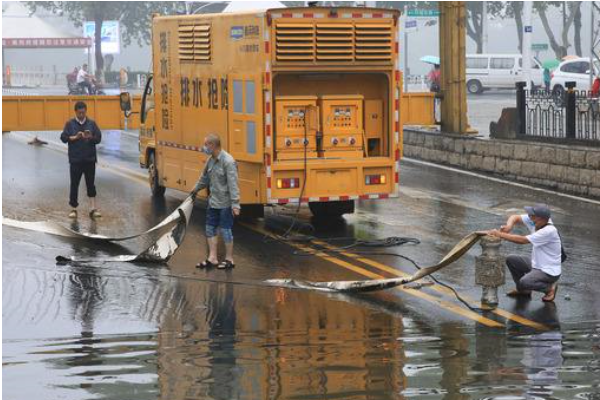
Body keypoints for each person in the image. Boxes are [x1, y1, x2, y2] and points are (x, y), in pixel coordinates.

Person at [485, 204, 562, 302]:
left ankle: (549, 289)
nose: (530, 218)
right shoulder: (538, 221)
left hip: (548, 271)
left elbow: (522, 240)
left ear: (540, 218)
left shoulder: (549, 231)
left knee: (524, 282)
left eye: (532, 216)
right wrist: (509, 226)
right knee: (511, 259)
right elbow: (515, 217)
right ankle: (524, 291)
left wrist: (500, 234)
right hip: (537, 265)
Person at [191, 134, 240, 269]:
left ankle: (229, 259)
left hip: (225, 203)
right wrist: (194, 190)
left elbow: (233, 184)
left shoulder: (228, 161)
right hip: (213, 202)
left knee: (225, 230)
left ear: (213, 145)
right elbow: (204, 178)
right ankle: (212, 258)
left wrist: (235, 204)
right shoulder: (210, 160)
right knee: (210, 229)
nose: (204, 147)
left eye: (206, 144)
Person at [60, 101, 102, 219]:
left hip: (89, 160)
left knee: (91, 184)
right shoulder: (70, 124)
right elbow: (63, 137)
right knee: (74, 184)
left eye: (83, 112)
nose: (81, 115)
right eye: (79, 113)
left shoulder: (92, 124)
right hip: (75, 160)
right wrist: (75, 137)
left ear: (86, 111)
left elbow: (98, 138)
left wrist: (91, 137)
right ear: (76, 112)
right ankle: (73, 209)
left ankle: (93, 208)